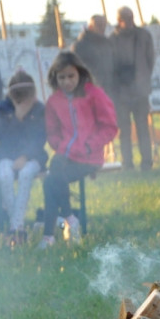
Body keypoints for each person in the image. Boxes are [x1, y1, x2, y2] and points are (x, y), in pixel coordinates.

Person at [40, 52, 118, 248]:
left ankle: (52, 233)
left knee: (52, 178)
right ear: (55, 78)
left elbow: (109, 126)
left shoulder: (94, 94)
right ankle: (65, 222)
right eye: (62, 77)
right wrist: (60, 146)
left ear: (80, 74)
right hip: (66, 155)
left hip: (89, 157)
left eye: (71, 76)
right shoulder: (54, 101)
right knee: (51, 178)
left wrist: (89, 145)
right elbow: (52, 131)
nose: (67, 81)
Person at [0, 70, 46, 245]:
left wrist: (26, 156)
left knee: (25, 175)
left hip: (33, 157)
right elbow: (2, 137)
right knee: (4, 175)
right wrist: (17, 117)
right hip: (8, 155)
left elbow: (39, 138)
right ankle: (17, 226)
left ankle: (15, 228)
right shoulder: (3, 109)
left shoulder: (40, 110)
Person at [110, 6, 155, 170]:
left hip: (140, 89)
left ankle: (146, 162)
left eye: (131, 18)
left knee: (143, 127)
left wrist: (143, 77)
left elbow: (151, 59)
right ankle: (127, 163)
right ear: (119, 20)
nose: (129, 22)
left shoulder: (143, 36)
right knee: (124, 130)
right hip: (121, 92)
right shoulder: (112, 40)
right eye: (125, 19)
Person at [72, 15, 114, 97]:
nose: (102, 28)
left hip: (109, 90)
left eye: (104, 25)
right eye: (99, 25)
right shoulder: (81, 45)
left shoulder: (108, 44)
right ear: (90, 27)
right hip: (89, 91)